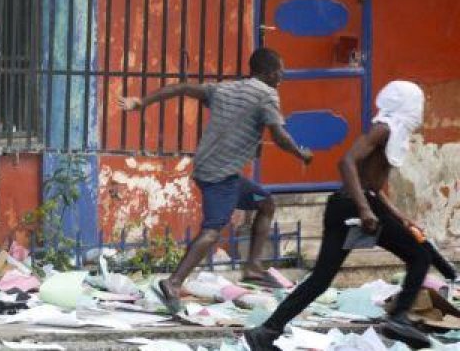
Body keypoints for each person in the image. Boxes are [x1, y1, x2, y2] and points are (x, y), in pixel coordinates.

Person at [117, 48, 313, 311]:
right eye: (280, 71)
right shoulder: (267, 95)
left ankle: (253, 266)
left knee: (264, 202)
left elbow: (183, 88)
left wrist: (141, 102)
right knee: (212, 231)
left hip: (212, 171)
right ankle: (174, 282)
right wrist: (300, 154)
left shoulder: (225, 89)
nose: (283, 76)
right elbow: (278, 136)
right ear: (268, 72)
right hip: (221, 179)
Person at [244, 81, 435, 351]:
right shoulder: (384, 128)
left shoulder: (393, 133)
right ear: (406, 104)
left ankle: (266, 332)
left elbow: (373, 186)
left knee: (321, 279)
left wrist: (400, 216)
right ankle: (398, 317)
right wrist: (364, 209)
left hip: (353, 204)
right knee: (421, 256)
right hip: (352, 206)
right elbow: (346, 162)